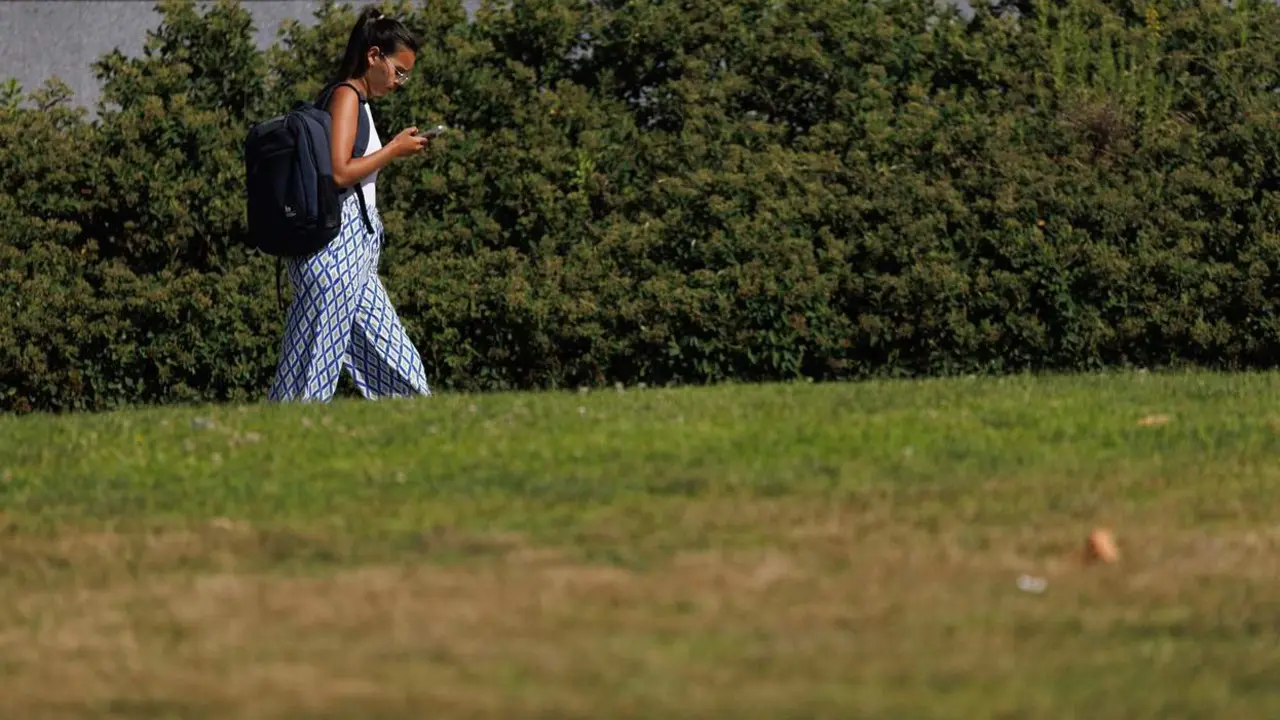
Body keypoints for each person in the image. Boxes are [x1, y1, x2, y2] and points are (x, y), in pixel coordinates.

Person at [269, 6, 433, 403]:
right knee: (311, 371)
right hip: (334, 252)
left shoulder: (356, 102)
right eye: (398, 71)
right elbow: (341, 172)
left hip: (355, 254)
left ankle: (421, 433)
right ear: (374, 56)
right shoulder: (345, 96)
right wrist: (394, 149)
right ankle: (281, 447)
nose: (400, 82)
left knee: (399, 361)